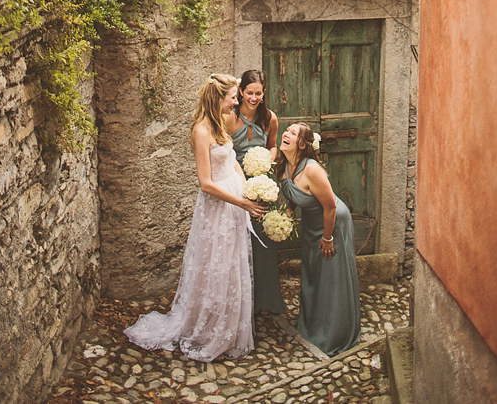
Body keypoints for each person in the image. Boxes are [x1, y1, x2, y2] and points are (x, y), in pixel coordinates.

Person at [124, 74, 266, 362]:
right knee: (216, 265)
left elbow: (233, 160)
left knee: (232, 265)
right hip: (218, 207)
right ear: (218, 98)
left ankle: (229, 326)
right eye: (233, 97)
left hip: (236, 203)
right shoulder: (201, 131)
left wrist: (246, 189)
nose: (237, 102)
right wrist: (240, 201)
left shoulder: (225, 122)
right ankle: (208, 328)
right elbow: (205, 183)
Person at [277, 123, 361, 356]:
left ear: (302, 145)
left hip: (332, 224)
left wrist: (327, 238)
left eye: (293, 133)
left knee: (331, 277)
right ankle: (313, 325)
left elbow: (331, 206)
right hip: (311, 225)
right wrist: (289, 212)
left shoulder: (312, 170)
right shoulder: (284, 165)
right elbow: (295, 192)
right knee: (314, 274)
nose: (286, 133)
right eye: (287, 130)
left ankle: (335, 333)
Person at [225, 69, 285, 315]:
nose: (254, 97)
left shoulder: (269, 117)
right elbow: (223, 152)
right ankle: (238, 301)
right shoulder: (229, 117)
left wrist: (264, 161)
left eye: (258, 93)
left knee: (262, 240)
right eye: (249, 92)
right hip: (236, 182)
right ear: (240, 91)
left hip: (261, 183)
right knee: (237, 238)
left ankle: (265, 301)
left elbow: (273, 146)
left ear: (264, 93)